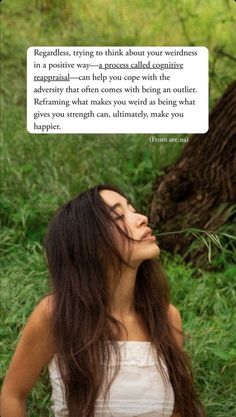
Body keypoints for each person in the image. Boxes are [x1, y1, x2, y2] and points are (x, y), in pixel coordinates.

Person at [1, 184, 205, 417]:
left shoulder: (167, 318)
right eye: (120, 215)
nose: (142, 218)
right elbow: (12, 395)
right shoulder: (56, 314)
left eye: (133, 209)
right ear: (90, 242)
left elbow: (178, 410)